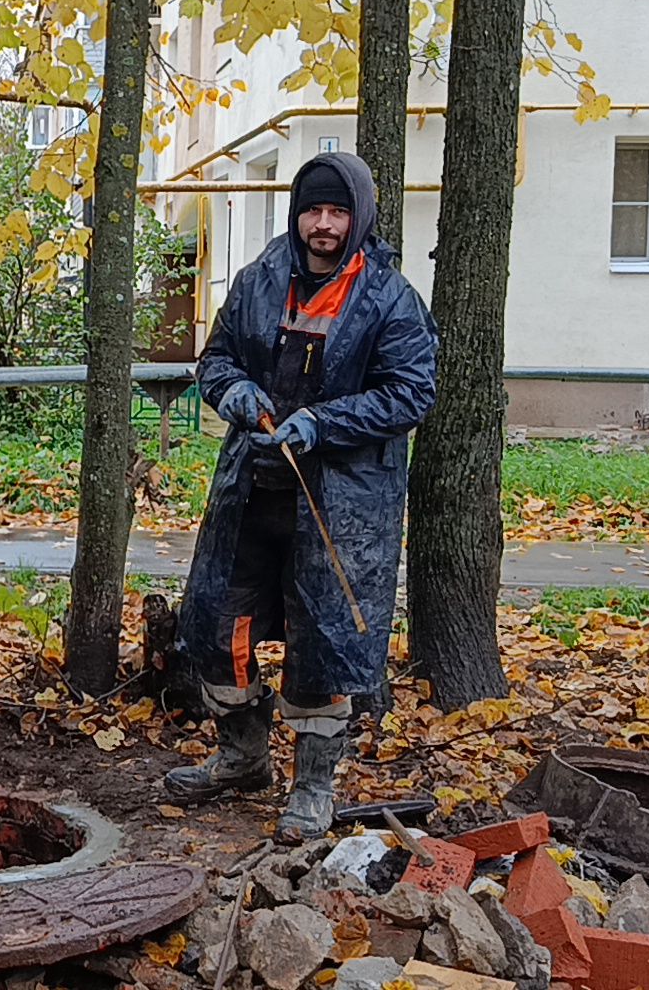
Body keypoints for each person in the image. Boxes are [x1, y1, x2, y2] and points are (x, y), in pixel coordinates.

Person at [163, 151, 438, 843]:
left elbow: (412, 394)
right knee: (216, 630)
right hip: (249, 496)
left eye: (337, 212)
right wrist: (234, 392)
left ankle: (313, 786)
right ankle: (242, 757)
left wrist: (323, 422)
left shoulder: (388, 298)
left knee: (324, 645)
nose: (323, 225)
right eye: (313, 210)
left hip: (341, 511)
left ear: (360, 216)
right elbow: (216, 359)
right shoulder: (259, 280)